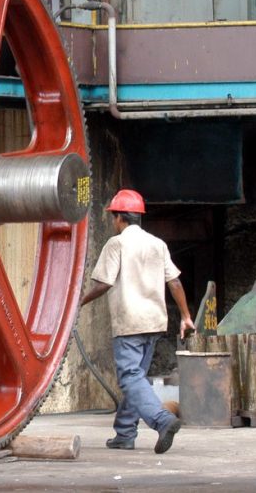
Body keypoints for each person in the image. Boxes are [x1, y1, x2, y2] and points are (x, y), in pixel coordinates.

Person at [80, 189, 195, 454]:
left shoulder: (116, 244)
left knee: (130, 378)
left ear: (120, 218)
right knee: (138, 377)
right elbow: (174, 282)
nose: (113, 222)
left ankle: (162, 420)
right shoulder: (157, 243)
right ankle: (125, 433)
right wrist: (186, 316)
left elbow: (104, 284)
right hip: (154, 322)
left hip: (129, 322)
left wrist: (80, 302)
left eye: (113, 217)